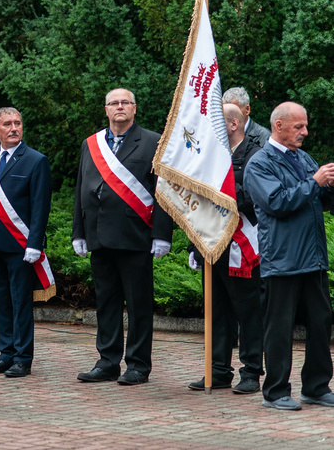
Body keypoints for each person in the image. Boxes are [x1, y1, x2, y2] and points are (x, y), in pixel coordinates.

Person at [72, 88, 173, 385]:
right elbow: (81, 187)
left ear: (134, 108)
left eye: (125, 102)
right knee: (106, 303)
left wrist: (161, 234)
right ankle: (107, 361)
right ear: (106, 109)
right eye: (114, 103)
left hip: (135, 236)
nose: (119, 107)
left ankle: (138, 365)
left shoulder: (154, 142)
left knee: (139, 305)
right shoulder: (91, 144)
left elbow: (163, 191)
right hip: (99, 235)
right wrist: (79, 231)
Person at [244, 101, 334, 410]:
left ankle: (316, 386)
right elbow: (277, 203)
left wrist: (329, 187)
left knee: (321, 323)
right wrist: (314, 182)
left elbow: (320, 201)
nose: (305, 132)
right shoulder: (259, 163)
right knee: (279, 328)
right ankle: (275, 391)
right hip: (282, 260)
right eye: (299, 126)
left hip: (313, 258)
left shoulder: (303, 158)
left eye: (305, 125)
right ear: (279, 126)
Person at [187, 104, 264, 393]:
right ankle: (218, 369)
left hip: (242, 246)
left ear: (233, 124)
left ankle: (251, 371)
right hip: (212, 243)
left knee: (248, 312)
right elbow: (194, 204)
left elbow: (254, 197)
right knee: (216, 310)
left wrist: (222, 187)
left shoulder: (256, 155)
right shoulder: (207, 156)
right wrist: (194, 245)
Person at [0, 107, 52, 378]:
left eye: (18, 122)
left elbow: (40, 208)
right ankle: (5, 353)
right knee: (1, 302)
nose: (14, 128)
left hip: (21, 246)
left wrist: (35, 244)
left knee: (20, 303)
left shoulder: (36, 160)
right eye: (7, 124)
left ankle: (22, 357)